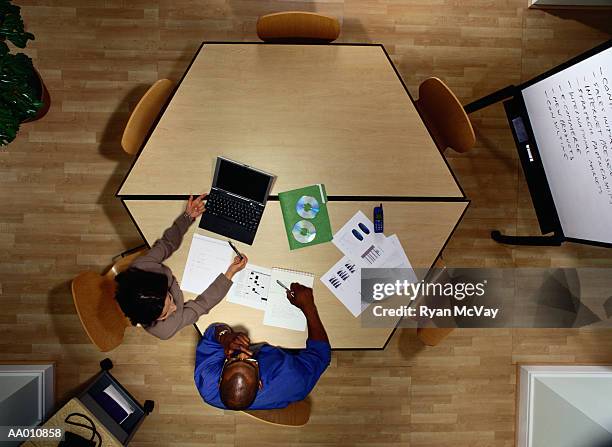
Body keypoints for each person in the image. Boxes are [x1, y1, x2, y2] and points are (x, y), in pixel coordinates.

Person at [114, 194, 248, 340]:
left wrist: (186, 217)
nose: (176, 308)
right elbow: (201, 306)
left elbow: (166, 244)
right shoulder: (165, 329)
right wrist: (229, 274)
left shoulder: (143, 267)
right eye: (165, 314)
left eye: (170, 298)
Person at [194, 283, 331, 410]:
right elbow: (322, 354)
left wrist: (224, 337)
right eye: (250, 362)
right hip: (286, 349)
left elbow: (211, 331)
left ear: (220, 381)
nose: (242, 354)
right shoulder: (292, 379)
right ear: (260, 384)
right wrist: (308, 306)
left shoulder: (207, 382)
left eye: (233, 360)